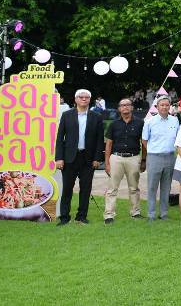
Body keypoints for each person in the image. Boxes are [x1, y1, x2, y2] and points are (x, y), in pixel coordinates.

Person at [55, 89, 104, 225]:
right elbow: (60, 138)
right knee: (67, 189)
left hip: (88, 159)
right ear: (76, 99)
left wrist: (97, 158)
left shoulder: (96, 117)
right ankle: (64, 217)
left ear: (90, 100)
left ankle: (81, 216)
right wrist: (59, 158)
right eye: (81, 97)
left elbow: (99, 140)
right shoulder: (67, 115)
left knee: (86, 189)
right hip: (69, 158)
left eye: (86, 97)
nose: (84, 99)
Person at [104, 97, 145, 224]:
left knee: (134, 188)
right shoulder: (113, 124)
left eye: (128, 104)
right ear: (119, 109)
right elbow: (108, 144)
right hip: (116, 158)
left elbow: (144, 143)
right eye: (122, 105)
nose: (125, 107)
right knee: (112, 188)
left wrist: (144, 160)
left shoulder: (140, 123)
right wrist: (107, 163)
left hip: (134, 158)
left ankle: (135, 212)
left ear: (132, 107)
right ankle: (109, 215)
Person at [142, 95, 180, 221]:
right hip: (154, 157)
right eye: (162, 105)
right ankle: (151, 214)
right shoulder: (150, 121)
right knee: (152, 187)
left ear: (170, 106)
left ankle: (164, 214)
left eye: (167, 105)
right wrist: (152, 151)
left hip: (170, 157)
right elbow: (144, 140)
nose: (164, 107)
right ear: (157, 107)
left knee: (166, 187)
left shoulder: (175, 120)